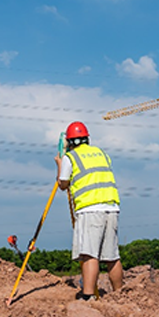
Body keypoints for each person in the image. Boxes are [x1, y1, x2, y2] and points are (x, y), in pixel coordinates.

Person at [54, 121, 122, 300]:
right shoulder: (102, 153)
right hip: (112, 206)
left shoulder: (72, 157)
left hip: (90, 209)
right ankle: (121, 296)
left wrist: (60, 164)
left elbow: (63, 184)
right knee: (112, 256)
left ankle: (88, 296)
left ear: (69, 142)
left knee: (89, 254)